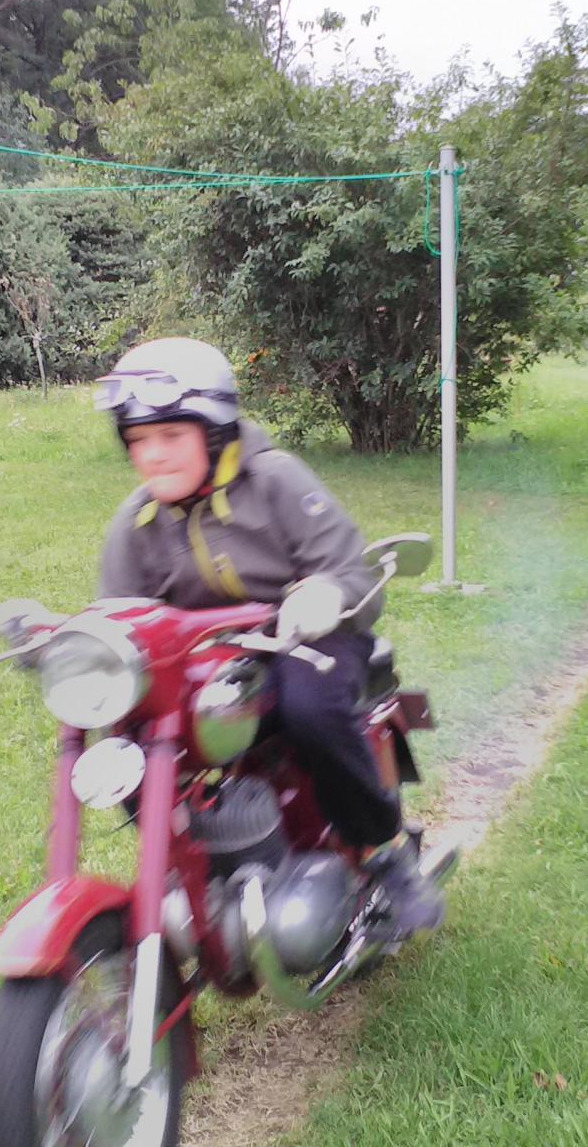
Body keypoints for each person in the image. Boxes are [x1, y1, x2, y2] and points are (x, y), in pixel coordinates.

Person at [93, 336, 443, 937]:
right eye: (139, 440)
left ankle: (386, 856)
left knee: (311, 708)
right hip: (214, 664)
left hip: (311, 640)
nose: (153, 455)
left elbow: (353, 573)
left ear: (215, 431)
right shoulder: (136, 522)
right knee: (129, 741)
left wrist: (323, 595)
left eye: (171, 435)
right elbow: (118, 617)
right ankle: (196, 863)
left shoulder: (275, 479)